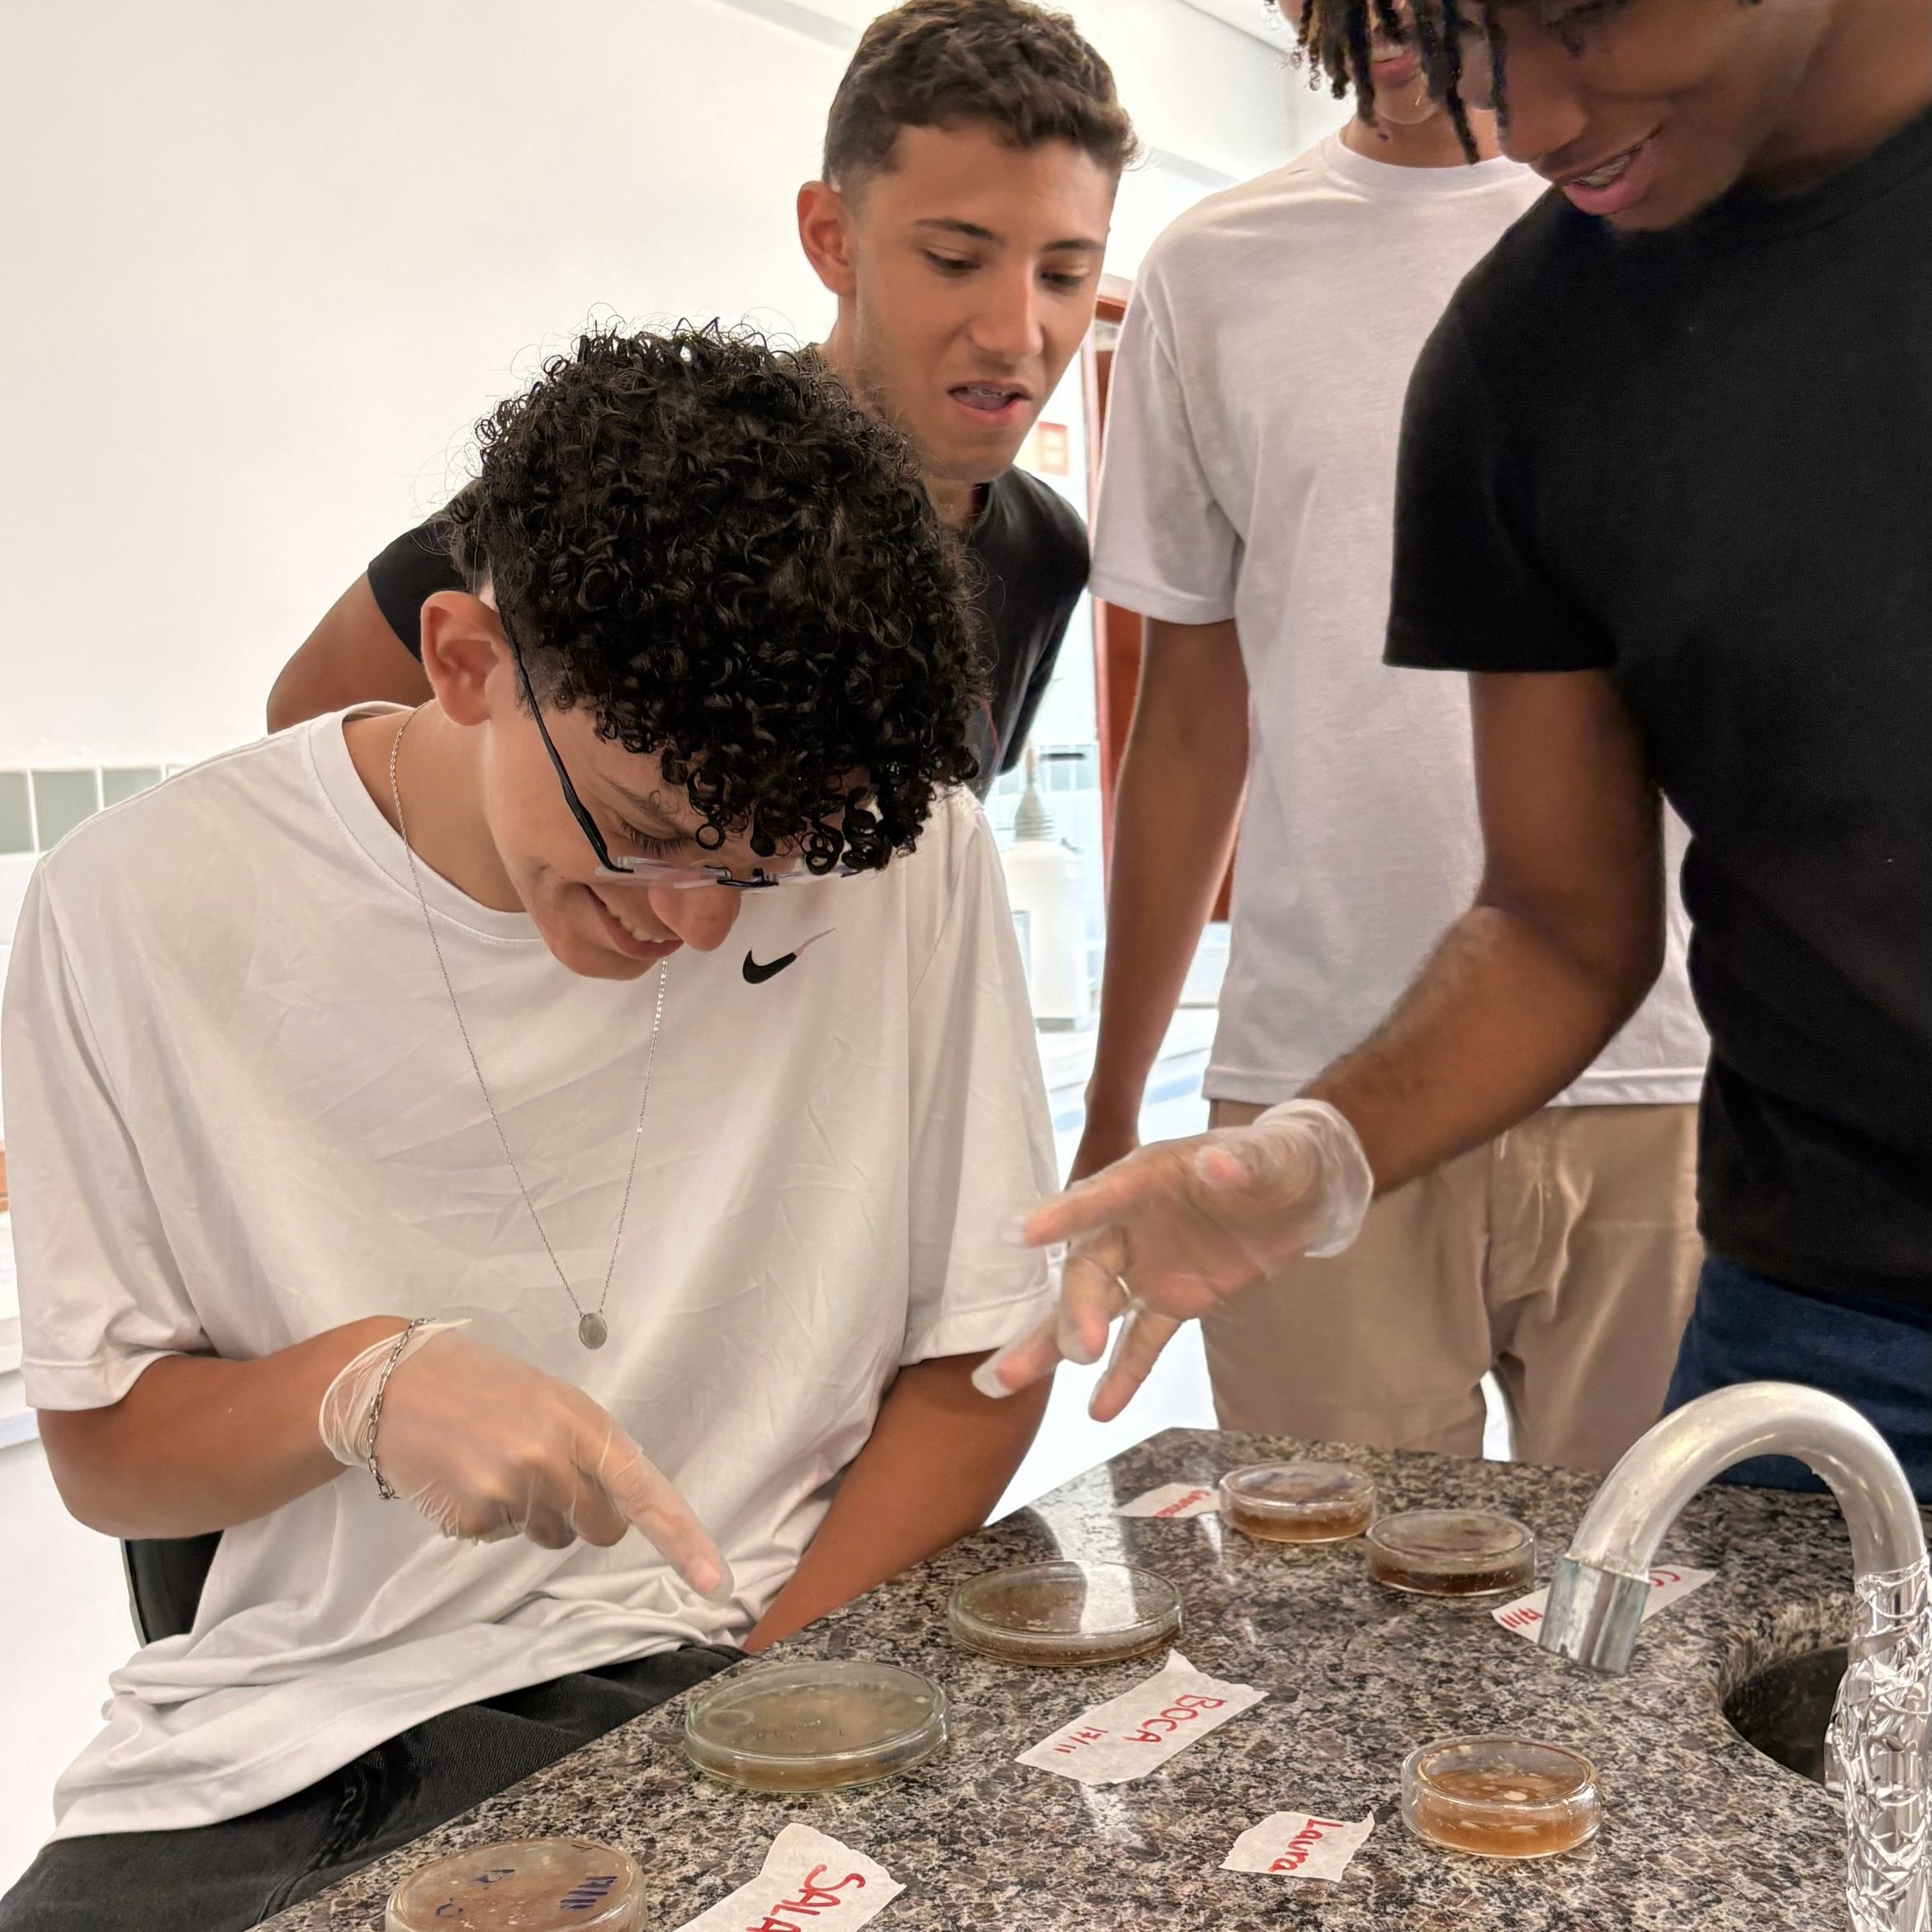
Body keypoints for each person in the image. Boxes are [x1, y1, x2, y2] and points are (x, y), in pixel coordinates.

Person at [0, 325, 1058, 1931]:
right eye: (646, 841)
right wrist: (360, 1388)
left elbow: (980, 1362)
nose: (701, 925)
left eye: (768, 867)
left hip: (749, 1655)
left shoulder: (911, 863)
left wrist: (753, 1726)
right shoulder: (136, 909)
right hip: (292, 1732)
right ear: (467, 663)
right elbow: (107, 1454)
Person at [981, 0, 1932, 1502]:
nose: (1529, 119)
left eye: (1568, 20)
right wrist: (1315, 1155)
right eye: (1468, 39)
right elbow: (1559, 916)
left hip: (1678, 1130)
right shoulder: (1529, 347)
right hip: (1819, 1291)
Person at [1072, 0, 1707, 1467]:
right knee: (1336, 1629)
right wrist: (1117, 1097)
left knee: (1661, 1652)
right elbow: (1187, 724)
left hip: (1661, 1068)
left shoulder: (1671, 218)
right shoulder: (1212, 270)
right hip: (1318, 1068)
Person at [265, 0, 1134, 796]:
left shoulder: (1049, 553)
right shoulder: (648, 464)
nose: (1018, 332)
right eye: (954, 259)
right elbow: (314, 717)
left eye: (1065, 274)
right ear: (833, 239)